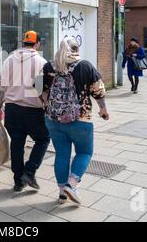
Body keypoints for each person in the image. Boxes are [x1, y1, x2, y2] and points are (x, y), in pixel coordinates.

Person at [42, 38, 109, 205]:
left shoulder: (49, 66)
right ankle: (71, 185)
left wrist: (47, 105)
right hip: (81, 119)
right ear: (76, 49)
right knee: (85, 152)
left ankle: (61, 193)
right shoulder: (85, 66)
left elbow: (37, 88)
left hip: (53, 119)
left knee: (62, 154)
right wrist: (103, 109)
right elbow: (98, 91)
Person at [0, 30, 50, 192]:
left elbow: (3, 87)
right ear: (37, 44)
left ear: (23, 43)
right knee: (43, 139)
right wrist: (47, 106)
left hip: (12, 109)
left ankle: (18, 181)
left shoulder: (10, 60)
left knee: (17, 143)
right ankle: (30, 171)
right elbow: (41, 90)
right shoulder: (41, 62)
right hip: (33, 110)